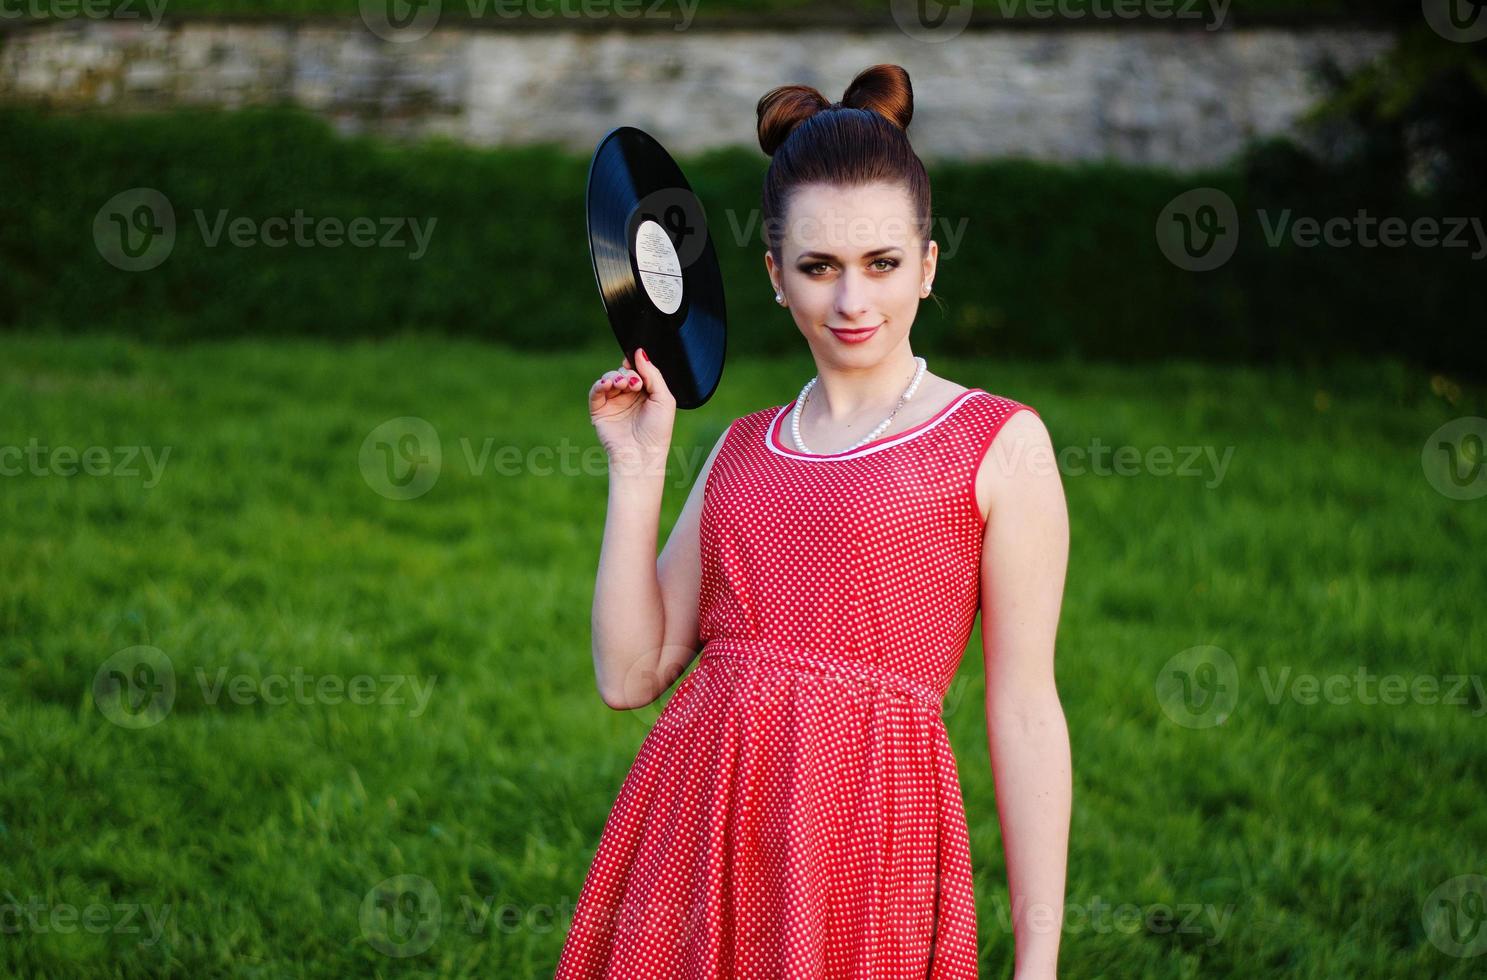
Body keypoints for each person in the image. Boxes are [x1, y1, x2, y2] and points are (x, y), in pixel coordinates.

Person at [561, 63, 1071, 979]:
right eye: (818, 267)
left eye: (880, 263)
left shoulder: (999, 442)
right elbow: (629, 673)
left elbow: (1025, 710)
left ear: (926, 262)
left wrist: (1036, 962)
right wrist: (637, 470)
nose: (851, 302)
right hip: (700, 826)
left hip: (866, 841)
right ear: (772, 276)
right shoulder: (743, 448)